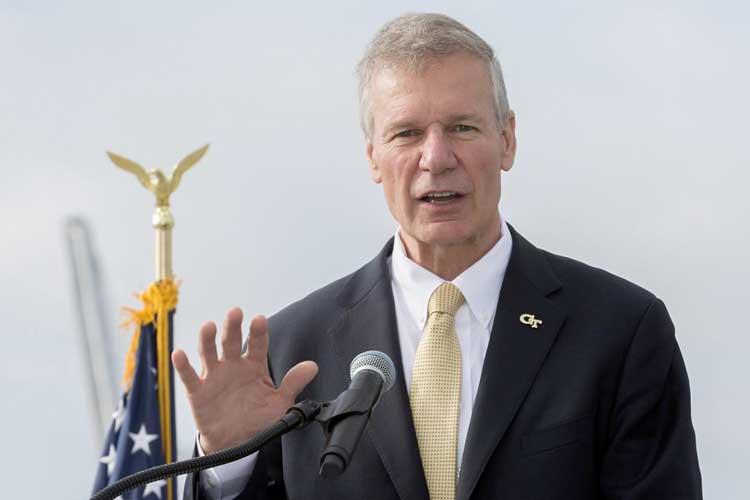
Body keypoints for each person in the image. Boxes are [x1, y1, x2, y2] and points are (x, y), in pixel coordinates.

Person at [173, 13, 702, 500]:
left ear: (507, 139)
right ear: (373, 157)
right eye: (406, 133)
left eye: (462, 128)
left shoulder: (620, 330)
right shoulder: (292, 352)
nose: (436, 158)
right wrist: (226, 465)